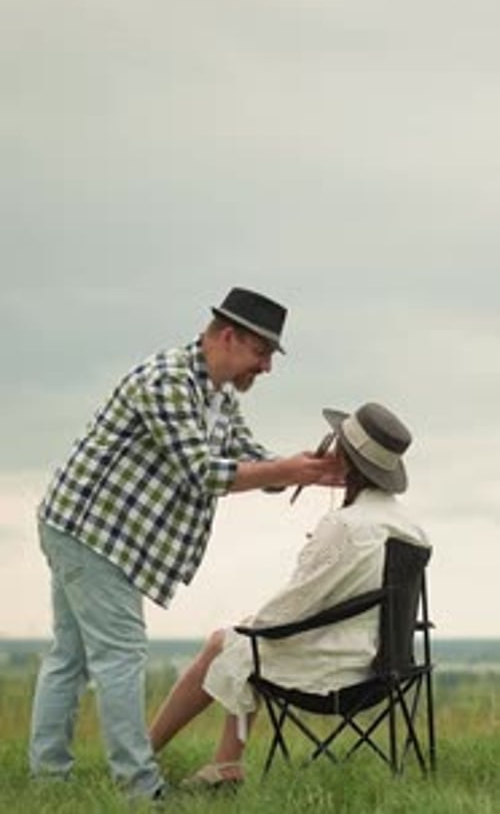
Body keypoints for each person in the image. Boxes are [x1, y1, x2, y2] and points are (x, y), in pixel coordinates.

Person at [29, 286, 343, 802]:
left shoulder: (217, 394)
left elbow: (248, 458)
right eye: (261, 353)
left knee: (70, 657)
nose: (266, 368)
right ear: (227, 336)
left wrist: (304, 470)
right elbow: (203, 472)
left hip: (95, 531)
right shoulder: (170, 381)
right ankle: (139, 789)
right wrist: (283, 469)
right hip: (89, 530)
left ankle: (48, 782)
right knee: (121, 655)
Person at [148, 401, 431, 790]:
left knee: (233, 641)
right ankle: (225, 764)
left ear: (344, 459)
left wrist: (256, 624)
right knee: (245, 643)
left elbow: (295, 604)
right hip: (388, 666)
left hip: (339, 673)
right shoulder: (408, 528)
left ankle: (143, 754)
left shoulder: (346, 526)